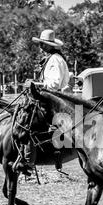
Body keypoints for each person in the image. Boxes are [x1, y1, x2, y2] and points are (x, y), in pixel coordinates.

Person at [15, 29, 70, 174]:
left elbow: (54, 84)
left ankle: (29, 163)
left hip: (53, 102)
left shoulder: (54, 60)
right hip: (52, 100)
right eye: (40, 43)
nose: (40, 47)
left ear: (50, 45)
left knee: (28, 126)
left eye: (43, 44)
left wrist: (35, 85)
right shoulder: (54, 58)